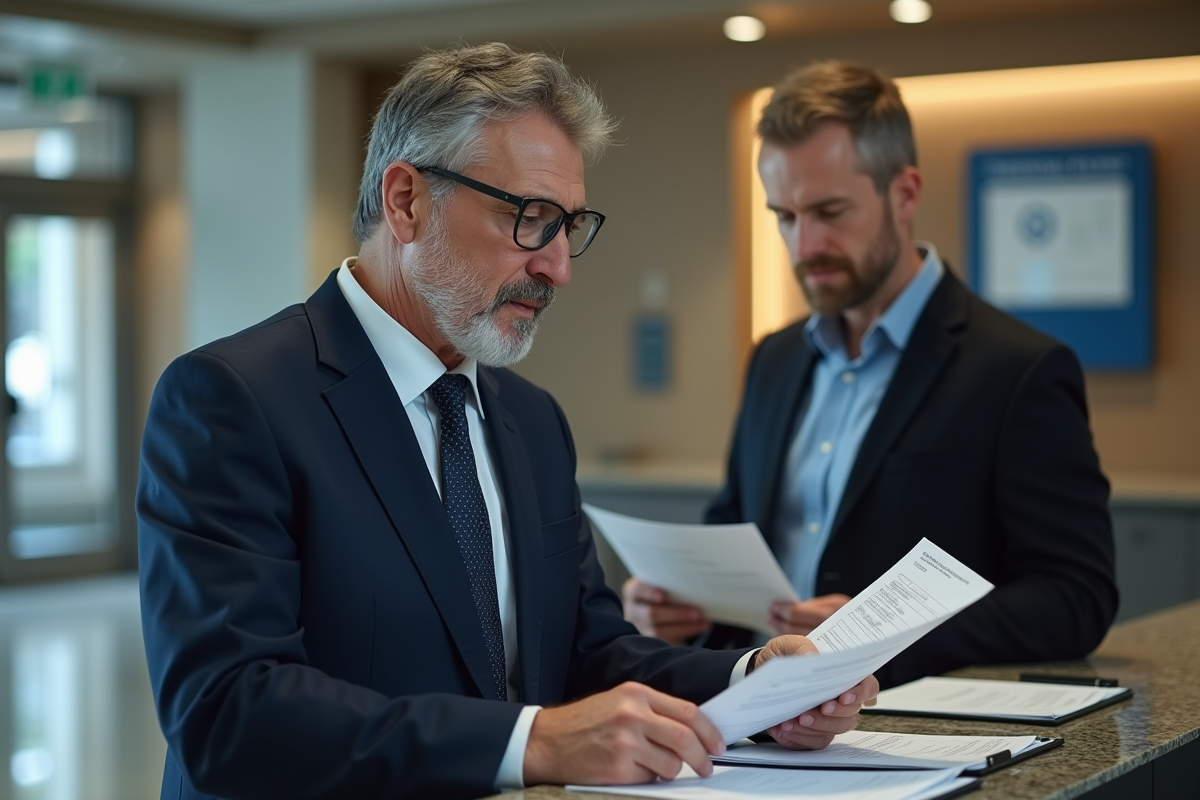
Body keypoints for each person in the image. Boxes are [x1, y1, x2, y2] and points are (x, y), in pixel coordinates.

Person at [137, 44, 877, 800]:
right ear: (406, 202)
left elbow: (587, 650)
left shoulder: (531, 420)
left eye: (570, 226)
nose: (558, 267)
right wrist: (532, 741)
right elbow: (226, 713)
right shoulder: (232, 399)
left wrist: (757, 681)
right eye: (530, 219)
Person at [623, 60, 1118, 689]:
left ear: (905, 193)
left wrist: (879, 634)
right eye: (786, 216)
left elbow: (1076, 597)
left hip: (906, 733)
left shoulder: (1018, 370)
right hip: (748, 722)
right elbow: (735, 531)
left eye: (830, 211)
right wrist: (677, 611)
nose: (805, 246)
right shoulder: (774, 359)